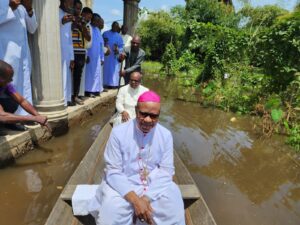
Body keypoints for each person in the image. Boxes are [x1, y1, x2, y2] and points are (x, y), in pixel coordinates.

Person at [92, 90, 185, 225]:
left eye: (153, 116)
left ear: (159, 116)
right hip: (123, 182)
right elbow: (113, 171)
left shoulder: (165, 135)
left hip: (154, 183)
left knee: (173, 204)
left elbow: (166, 171)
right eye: (143, 114)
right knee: (111, 212)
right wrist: (136, 201)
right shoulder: (118, 133)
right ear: (136, 110)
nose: (148, 120)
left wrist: (146, 199)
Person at [0, 0, 38, 116]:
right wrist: (10, 7)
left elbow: (32, 28)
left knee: (24, 83)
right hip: (7, 51)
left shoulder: (22, 7)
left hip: (24, 53)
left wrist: (30, 9)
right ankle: (9, 117)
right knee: (10, 86)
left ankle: (24, 114)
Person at [0, 60, 50, 131]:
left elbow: (22, 101)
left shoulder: (5, 84)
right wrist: (32, 118)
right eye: (9, 78)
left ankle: (9, 124)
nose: (11, 80)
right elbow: (1, 116)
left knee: (12, 102)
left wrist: (38, 116)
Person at [72, 2, 93, 105]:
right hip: (70, 51)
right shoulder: (71, 19)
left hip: (80, 52)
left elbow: (88, 38)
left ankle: (75, 96)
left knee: (77, 75)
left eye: (79, 9)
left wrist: (83, 25)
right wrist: (75, 23)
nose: (78, 11)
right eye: (77, 8)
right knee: (68, 75)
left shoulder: (85, 23)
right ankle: (68, 96)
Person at [85, 13, 104, 98]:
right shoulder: (88, 27)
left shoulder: (97, 30)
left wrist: (102, 57)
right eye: (96, 20)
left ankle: (95, 90)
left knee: (96, 73)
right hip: (89, 55)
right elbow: (85, 43)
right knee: (89, 74)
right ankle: (88, 91)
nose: (97, 22)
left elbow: (101, 45)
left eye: (98, 21)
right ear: (92, 19)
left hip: (97, 57)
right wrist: (86, 55)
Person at [59, 0, 75, 106]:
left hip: (67, 52)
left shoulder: (67, 15)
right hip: (57, 51)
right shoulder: (55, 12)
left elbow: (69, 38)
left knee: (66, 76)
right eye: (70, 3)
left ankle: (66, 99)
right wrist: (61, 22)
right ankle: (61, 100)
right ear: (64, 2)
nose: (71, 6)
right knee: (60, 76)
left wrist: (72, 56)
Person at [102, 21, 124, 89]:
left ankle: (113, 84)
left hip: (114, 57)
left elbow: (121, 47)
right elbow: (101, 44)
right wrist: (105, 47)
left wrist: (118, 50)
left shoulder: (119, 36)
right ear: (111, 26)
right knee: (106, 70)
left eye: (116, 27)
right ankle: (105, 83)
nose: (115, 28)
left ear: (118, 28)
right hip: (107, 56)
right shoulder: (105, 33)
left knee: (114, 71)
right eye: (114, 26)